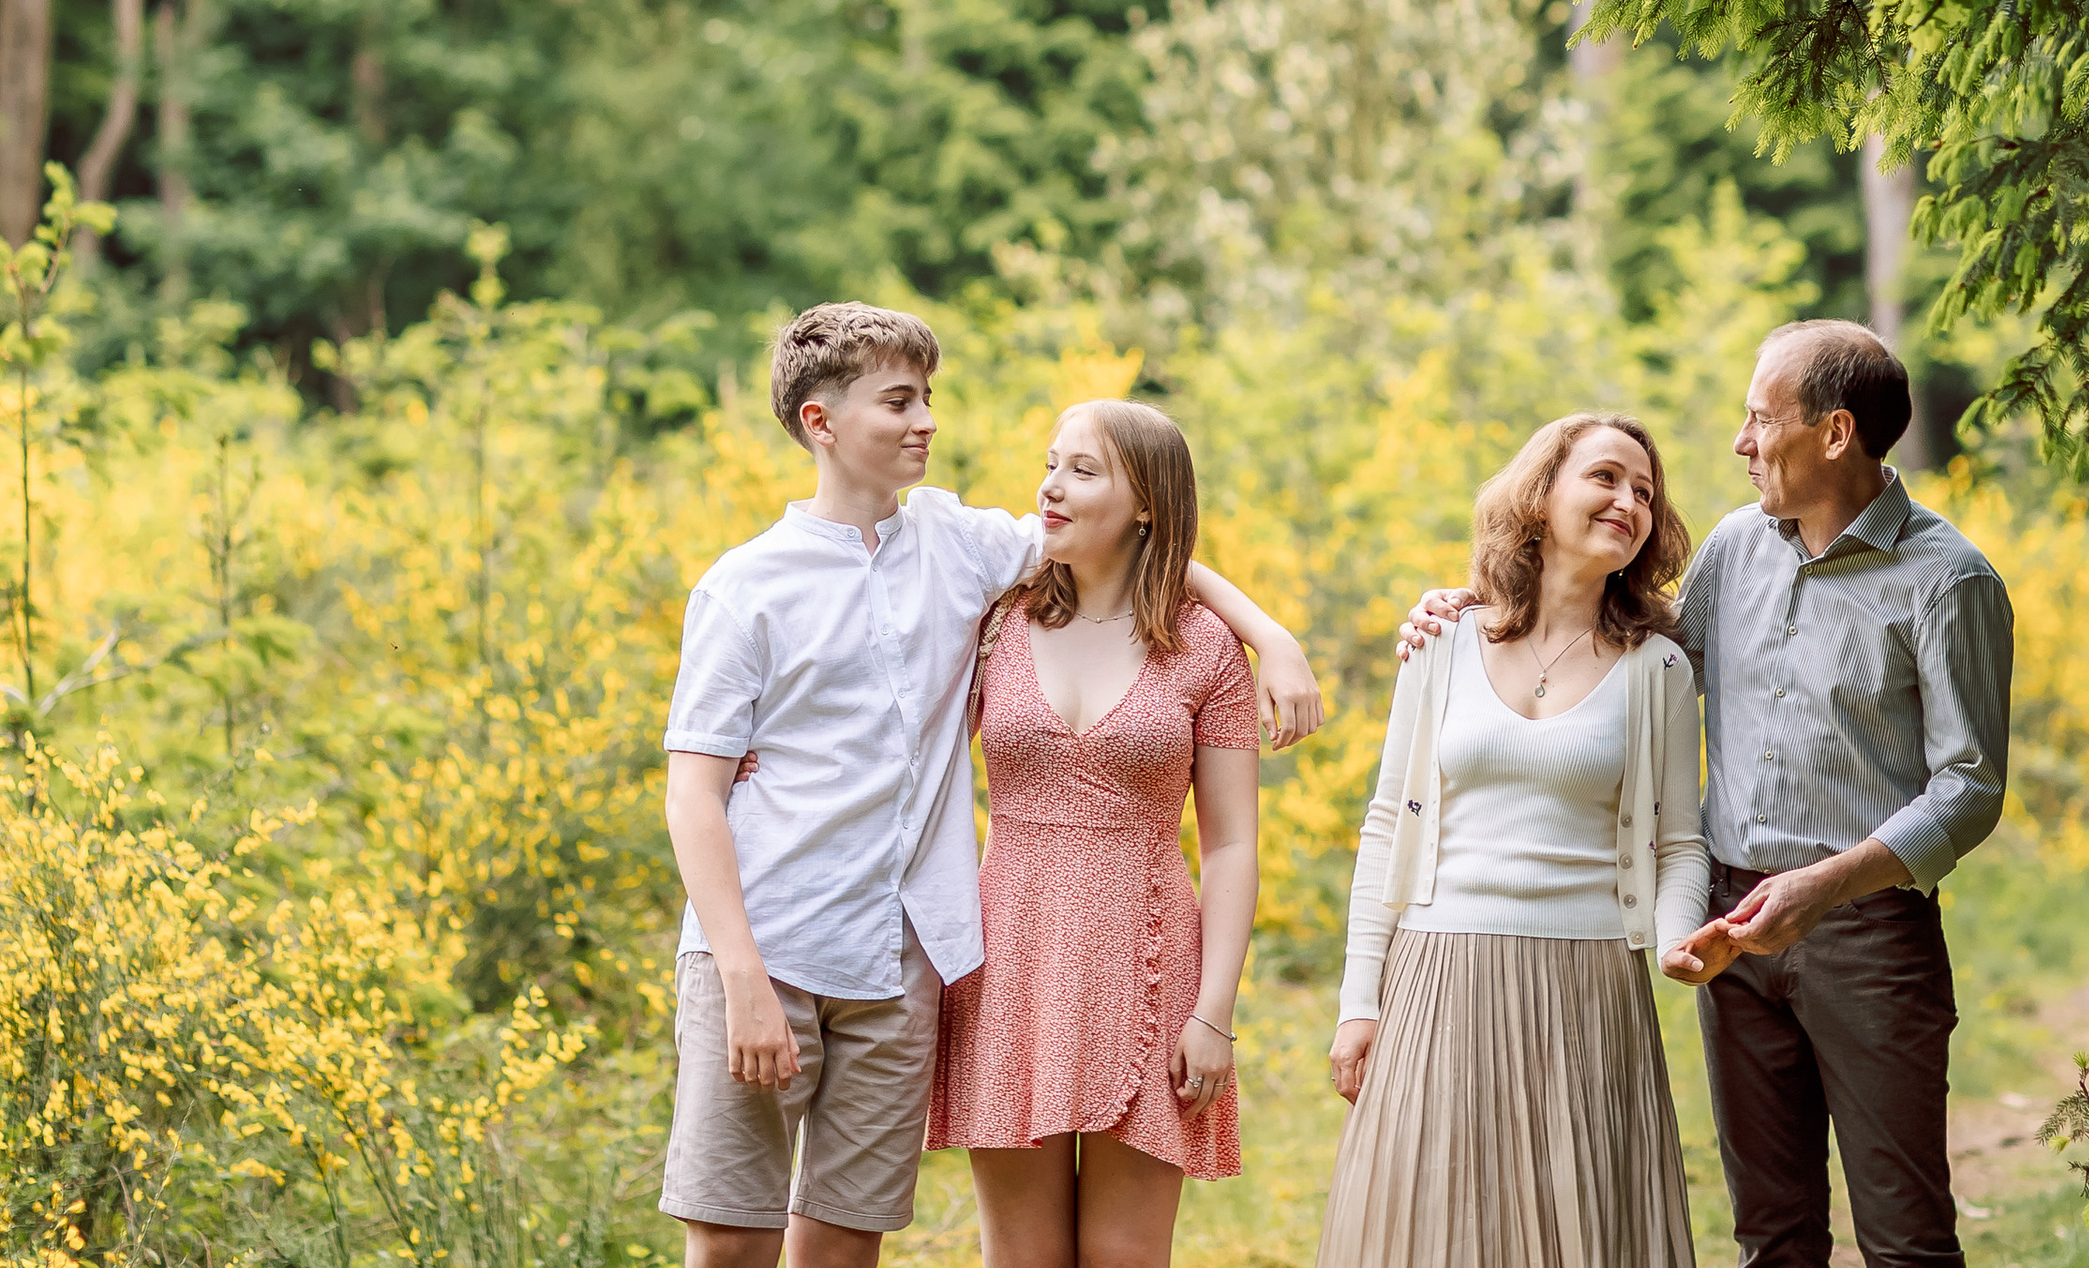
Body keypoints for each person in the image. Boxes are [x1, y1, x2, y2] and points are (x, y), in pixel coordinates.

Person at [658, 304, 1320, 1268]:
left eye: (929, 397)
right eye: (899, 400)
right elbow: (695, 789)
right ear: (820, 422)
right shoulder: (764, 587)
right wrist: (739, 965)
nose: (926, 419)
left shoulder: (959, 551)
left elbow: (1134, 544)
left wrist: (1273, 635)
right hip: (813, 943)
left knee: (844, 1242)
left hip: (911, 960)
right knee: (731, 1241)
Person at [1404, 320, 2014, 1268]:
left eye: (1759, 419)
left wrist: (1826, 885)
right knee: (1771, 1235)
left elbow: (1970, 788)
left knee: (1906, 1238)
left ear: (1836, 433)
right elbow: (1627, 660)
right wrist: (1473, 612)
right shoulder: (1735, 548)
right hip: (1732, 924)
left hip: (1867, 937)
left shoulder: (1948, 580)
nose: (1738, 443)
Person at [1320, 414, 1713, 1268]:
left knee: (1577, 1227)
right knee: (1433, 1223)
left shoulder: (1661, 669)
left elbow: (1679, 843)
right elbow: (1388, 822)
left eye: (1644, 492)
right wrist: (1360, 998)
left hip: (1590, 979)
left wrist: (1679, 940)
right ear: (1539, 497)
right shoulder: (1441, 642)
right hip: (1438, 973)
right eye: (1606, 478)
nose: (1628, 501)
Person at [931, 398, 1260, 1268]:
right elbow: (900, 742)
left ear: (1146, 502)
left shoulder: (1206, 648)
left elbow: (1231, 844)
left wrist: (1215, 1012)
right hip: (1009, 958)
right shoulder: (997, 619)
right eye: (1051, 464)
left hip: (1147, 962)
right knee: (1022, 1255)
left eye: (1084, 470)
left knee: (1124, 1255)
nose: (1051, 486)